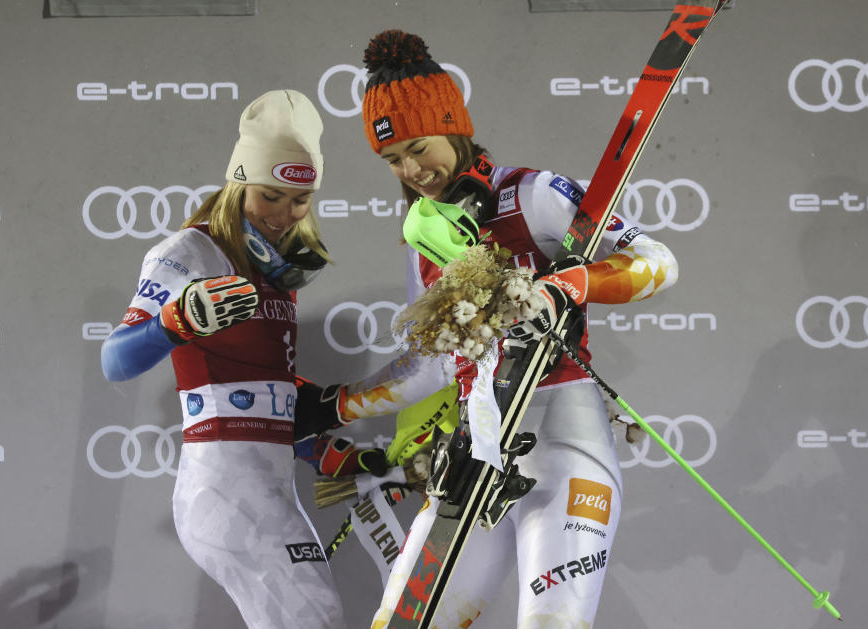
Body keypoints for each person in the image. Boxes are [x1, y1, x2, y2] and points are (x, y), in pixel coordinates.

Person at [346, 30, 680, 628]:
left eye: (419, 148)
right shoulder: (424, 238)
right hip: (479, 452)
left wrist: (571, 284)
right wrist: (337, 406)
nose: (411, 170)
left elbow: (657, 263)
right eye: (393, 161)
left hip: (566, 444)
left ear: (452, 125)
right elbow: (432, 364)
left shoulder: (532, 194)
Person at [99, 89, 383, 629]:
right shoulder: (189, 252)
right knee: (315, 619)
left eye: (300, 200)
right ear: (238, 180)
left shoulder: (277, 271)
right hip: (224, 491)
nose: (284, 215)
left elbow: (260, 392)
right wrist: (175, 322)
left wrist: (327, 453)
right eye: (270, 196)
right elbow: (116, 361)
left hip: (266, 486)